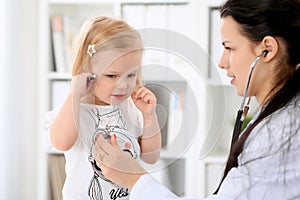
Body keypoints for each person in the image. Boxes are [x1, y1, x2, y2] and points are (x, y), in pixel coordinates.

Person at [94, 0, 300, 199]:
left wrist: (133, 178)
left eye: (229, 48)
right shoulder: (279, 118)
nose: (221, 62)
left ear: (267, 50)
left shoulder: (281, 133)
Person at [48, 16, 161, 200]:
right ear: (87, 72)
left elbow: (150, 157)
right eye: (111, 76)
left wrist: (149, 116)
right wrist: (74, 95)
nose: (123, 85)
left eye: (131, 75)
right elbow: (61, 142)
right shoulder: (75, 108)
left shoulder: (131, 108)